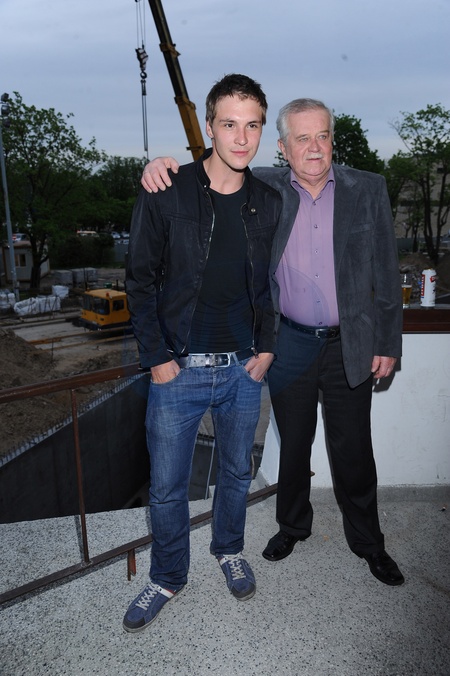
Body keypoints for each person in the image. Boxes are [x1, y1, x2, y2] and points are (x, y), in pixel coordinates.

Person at [140, 98, 405, 587]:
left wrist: (388, 341)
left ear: (332, 140)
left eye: (322, 135)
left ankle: (370, 543)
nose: (314, 147)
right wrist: (160, 165)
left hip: (350, 344)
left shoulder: (368, 188)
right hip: (289, 344)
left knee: (354, 450)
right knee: (294, 445)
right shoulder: (265, 187)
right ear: (282, 147)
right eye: (302, 138)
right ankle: (293, 527)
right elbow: (215, 166)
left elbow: (387, 272)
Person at [123, 74, 282, 633]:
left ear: (262, 130)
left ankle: (229, 549)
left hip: (243, 370)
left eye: (252, 125)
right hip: (178, 370)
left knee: (237, 472)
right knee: (167, 486)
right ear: (209, 127)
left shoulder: (268, 201)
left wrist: (268, 347)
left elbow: (271, 285)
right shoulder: (167, 189)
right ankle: (168, 576)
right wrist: (156, 357)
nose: (241, 137)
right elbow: (139, 280)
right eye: (229, 124)